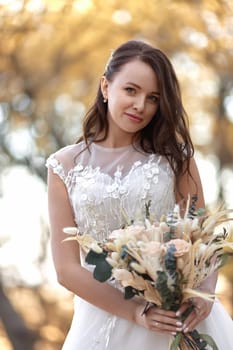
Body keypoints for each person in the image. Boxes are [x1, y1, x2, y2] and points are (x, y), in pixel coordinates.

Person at [46, 40, 233, 349]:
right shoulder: (64, 165)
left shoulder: (175, 156)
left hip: (177, 314)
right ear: (106, 87)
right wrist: (135, 311)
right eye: (131, 90)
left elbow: (204, 237)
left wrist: (206, 296)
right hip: (103, 318)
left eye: (153, 98)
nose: (140, 106)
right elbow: (66, 270)